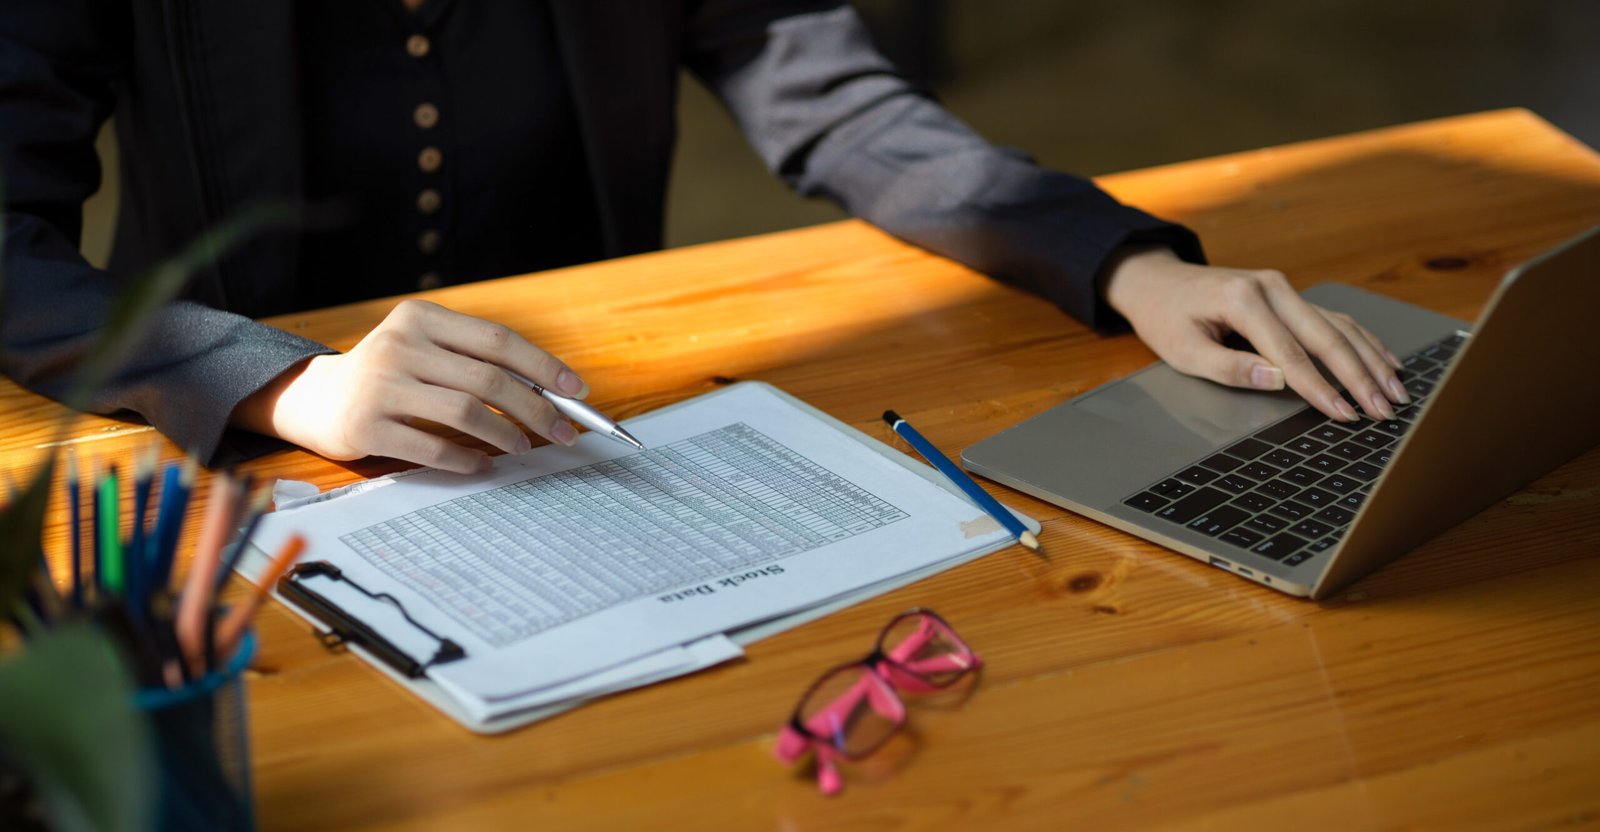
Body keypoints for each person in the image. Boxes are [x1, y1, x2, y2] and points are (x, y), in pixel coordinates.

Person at [0, 2, 1408, 474]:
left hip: (577, 431)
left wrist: (1125, 262)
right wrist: (276, 380)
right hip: (250, 469)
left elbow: (830, 92)